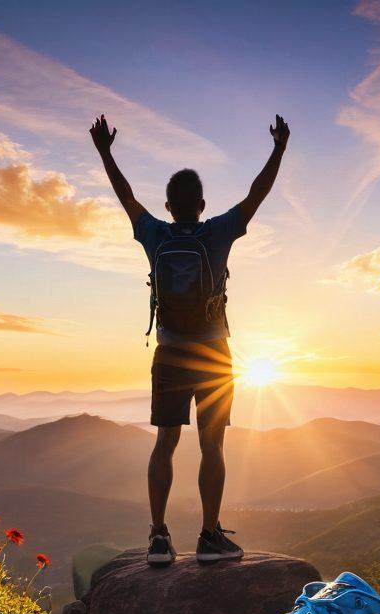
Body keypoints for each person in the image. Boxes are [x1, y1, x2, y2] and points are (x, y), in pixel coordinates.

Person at [90, 113, 290, 566]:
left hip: (170, 352)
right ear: (201, 204)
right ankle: (208, 536)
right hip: (214, 354)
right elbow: (256, 194)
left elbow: (125, 196)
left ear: (167, 205)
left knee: (165, 443)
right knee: (212, 446)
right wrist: (278, 149)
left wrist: (105, 152)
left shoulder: (154, 234)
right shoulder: (217, 232)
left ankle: (159, 537)